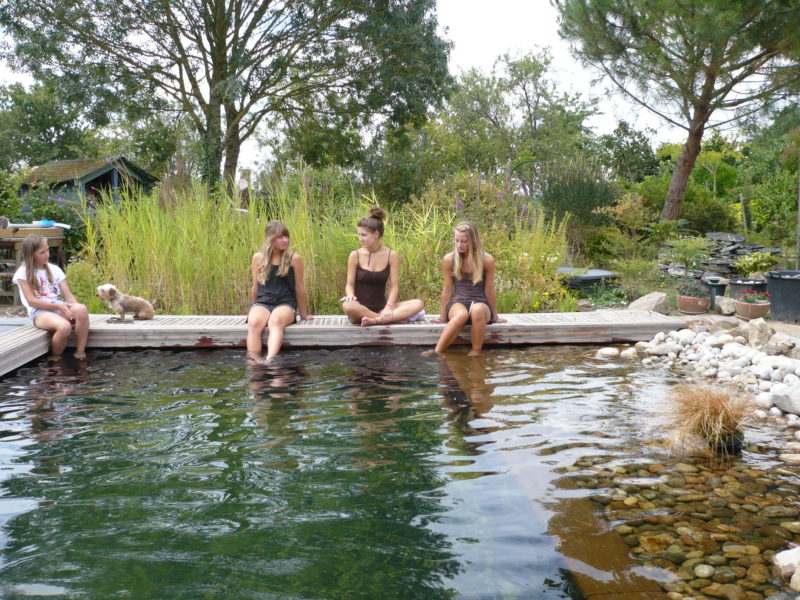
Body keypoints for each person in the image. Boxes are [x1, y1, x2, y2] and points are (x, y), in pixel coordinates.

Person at [428, 221, 506, 356]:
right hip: (458, 303)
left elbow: (489, 289)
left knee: (477, 310)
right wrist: (442, 316)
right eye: (457, 241)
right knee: (461, 315)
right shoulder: (449, 259)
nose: (459, 245)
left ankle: (475, 352)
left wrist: (495, 316)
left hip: (480, 302)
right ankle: (437, 352)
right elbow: (447, 288)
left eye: (464, 241)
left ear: (473, 241)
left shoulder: (487, 260)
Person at [340, 206, 424, 326]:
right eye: (359, 235)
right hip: (358, 310)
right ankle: (386, 319)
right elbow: (349, 285)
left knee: (419, 303)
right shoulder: (355, 255)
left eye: (363, 235)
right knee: (348, 306)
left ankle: (375, 320)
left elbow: (395, 286)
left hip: (382, 307)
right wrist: (350, 295)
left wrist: (389, 307)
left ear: (376, 234)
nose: (360, 239)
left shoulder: (391, 255)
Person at [13, 234, 90, 359]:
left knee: (82, 309)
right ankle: (55, 359)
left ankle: (80, 352)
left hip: (59, 308)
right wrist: (59, 307)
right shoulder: (23, 272)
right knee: (64, 327)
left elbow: (70, 298)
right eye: (42, 252)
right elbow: (32, 301)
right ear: (31, 254)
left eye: (48, 250)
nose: (47, 255)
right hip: (40, 312)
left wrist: (78, 315)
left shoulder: (55, 269)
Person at [247, 221, 312, 361]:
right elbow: (255, 286)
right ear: (270, 239)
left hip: (285, 303)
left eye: (286, 236)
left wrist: (303, 314)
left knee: (275, 321)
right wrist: (253, 307)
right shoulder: (258, 258)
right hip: (263, 302)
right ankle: (255, 361)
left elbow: (299, 288)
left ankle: (270, 359)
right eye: (280, 237)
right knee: (254, 322)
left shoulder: (294, 259)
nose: (285, 240)